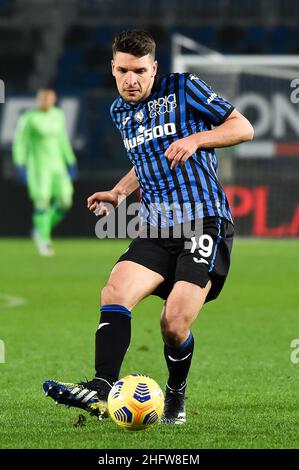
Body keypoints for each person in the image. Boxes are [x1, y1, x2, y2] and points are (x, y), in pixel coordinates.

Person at [43, 30, 253, 424]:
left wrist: (196, 139)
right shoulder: (119, 112)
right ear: (113, 68)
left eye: (139, 71)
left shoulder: (184, 88)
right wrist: (119, 192)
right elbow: (146, 161)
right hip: (157, 226)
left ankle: (176, 393)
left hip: (204, 221)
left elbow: (243, 127)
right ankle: (102, 388)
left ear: (154, 68)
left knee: (173, 324)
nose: (131, 79)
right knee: (115, 289)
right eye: (123, 70)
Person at [13, 89, 77, 256]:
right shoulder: (29, 118)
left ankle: (40, 228)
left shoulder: (58, 115)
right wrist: (19, 163)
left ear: (54, 100)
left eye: (50, 99)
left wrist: (70, 160)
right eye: (44, 99)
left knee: (65, 200)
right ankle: (44, 239)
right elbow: (20, 142)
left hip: (58, 166)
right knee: (42, 201)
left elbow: (62, 140)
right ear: (39, 100)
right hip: (39, 167)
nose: (47, 102)